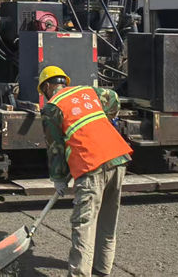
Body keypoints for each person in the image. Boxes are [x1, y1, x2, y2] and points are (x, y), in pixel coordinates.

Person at [37, 65, 133, 277]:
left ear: (46, 87)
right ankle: (102, 270)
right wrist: (108, 116)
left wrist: (58, 178)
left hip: (91, 165)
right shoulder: (87, 91)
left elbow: (55, 148)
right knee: (108, 221)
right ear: (65, 82)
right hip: (117, 158)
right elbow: (114, 97)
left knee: (84, 224)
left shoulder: (52, 108)